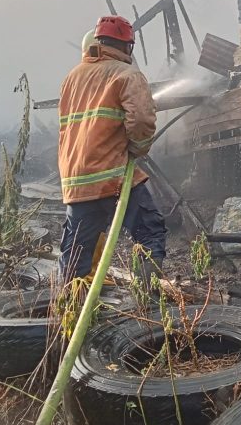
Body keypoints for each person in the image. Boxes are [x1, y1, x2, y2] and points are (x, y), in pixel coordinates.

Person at [58, 15, 165, 282]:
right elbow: (141, 120)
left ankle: (70, 309)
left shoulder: (72, 77)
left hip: (75, 179)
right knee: (150, 231)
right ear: (127, 46)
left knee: (77, 249)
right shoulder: (127, 74)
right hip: (111, 173)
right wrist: (138, 149)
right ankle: (145, 297)